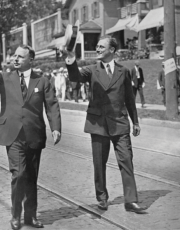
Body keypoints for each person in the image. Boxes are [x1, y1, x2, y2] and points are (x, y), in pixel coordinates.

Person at [0, 44, 61, 229]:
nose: (15, 59)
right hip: (13, 135)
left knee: (31, 177)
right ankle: (16, 215)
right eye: (14, 56)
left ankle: (31, 216)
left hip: (34, 134)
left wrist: (55, 127)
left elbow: (52, 105)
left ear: (31, 60)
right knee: (19, 174)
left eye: (20, 57)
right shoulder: (5, 78)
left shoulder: (42, 81)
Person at [65, 35, 146, 214]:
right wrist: (70, 59)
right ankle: (102, 198)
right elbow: (75, 75)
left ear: (112, 50)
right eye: (97, 46)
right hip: (98, 123)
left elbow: (129, 99)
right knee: (99, 163)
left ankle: (131, 200)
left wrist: (136, 121)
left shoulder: (123, 71)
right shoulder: (92, 70)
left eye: (102, 47)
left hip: (119, 122)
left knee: (126, 161)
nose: (98, 49)